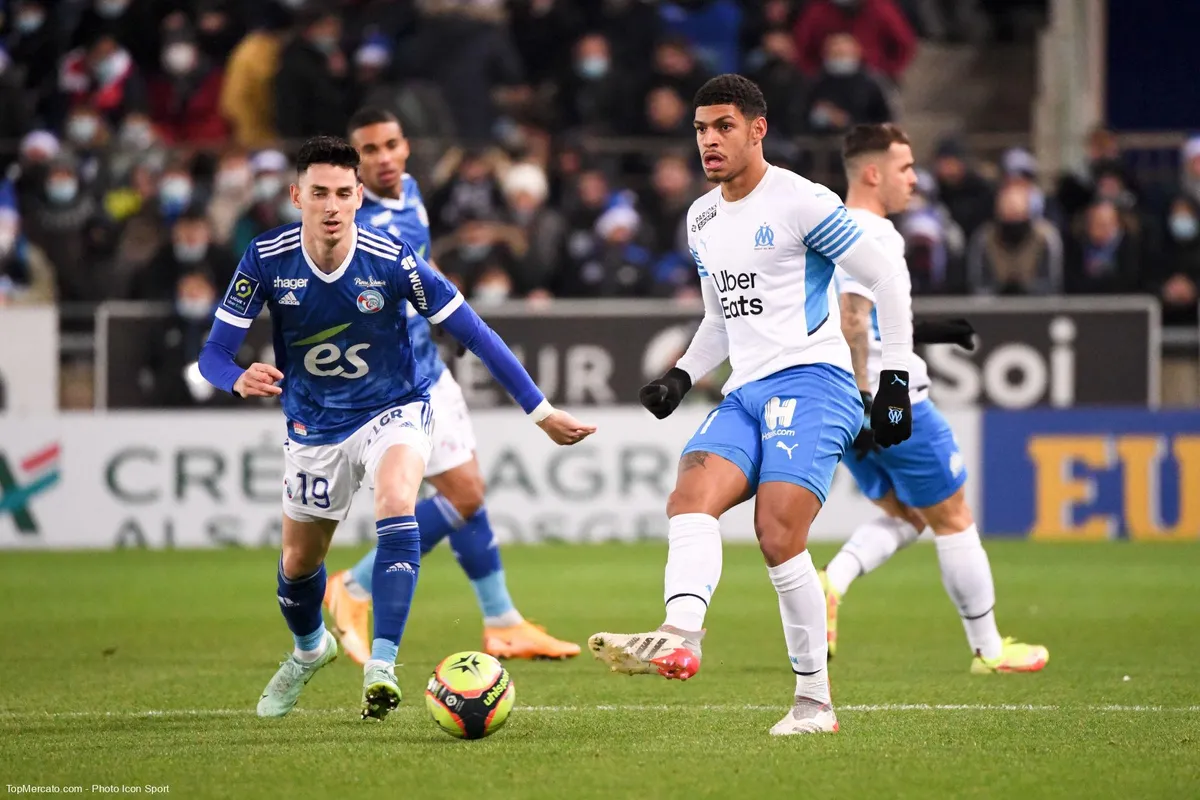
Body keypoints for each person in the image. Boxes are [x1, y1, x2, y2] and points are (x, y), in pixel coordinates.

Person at [198, 136, 595, 721]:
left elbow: (475, 333)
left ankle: (382, 665)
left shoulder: (391, 257)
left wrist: (541, 412)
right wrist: (235, 378)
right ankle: (310, 650)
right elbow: (214, 354)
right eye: (318, 193)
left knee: (396, 505)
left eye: (342, 193)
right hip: (315, 425)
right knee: (297, 565)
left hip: (395, 407)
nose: (331, 205)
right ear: (296, 195)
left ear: (359, 196)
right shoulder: (265, 258)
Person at [587, 74, 915, 736]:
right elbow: (718, 319)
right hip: (745, 389)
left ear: (757, 129)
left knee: (776, 534)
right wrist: (680, 376)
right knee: (689, 498)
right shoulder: (701, 217)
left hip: (815, 382)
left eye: (723, 127)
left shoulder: (801, 200)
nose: (709, 141)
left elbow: (881, 276)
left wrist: (895, 380)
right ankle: (682, 634)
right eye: (701, 129)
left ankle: (814, 704)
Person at [319, 107, 581, 664]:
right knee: (465, 494)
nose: (385, 158)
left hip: (429, 368)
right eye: (370, 151)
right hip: (395, 386)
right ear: (353, 161)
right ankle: (354, 586)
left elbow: (420, 264)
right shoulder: (354, 227)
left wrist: (437, 300)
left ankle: (502, 621)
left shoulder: (410, 193)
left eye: (391, 145)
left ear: (406, 147)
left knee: (466, 492)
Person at [820, 123, 1049, 675]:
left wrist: (929, 329)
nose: (914, 179)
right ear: (873, 174)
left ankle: (833, 581)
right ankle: (990, 650)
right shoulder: (873, 232)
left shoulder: (824, 230)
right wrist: (874, 401)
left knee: (908, 516)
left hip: (847, 403)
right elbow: (854, 318)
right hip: (891, 400)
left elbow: (857, 316)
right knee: (954, 516)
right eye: (905, 168)